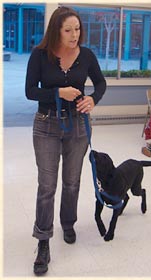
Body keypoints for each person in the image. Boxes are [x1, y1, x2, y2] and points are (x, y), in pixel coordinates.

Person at [25, 6, 106, 276]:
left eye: (78, 29)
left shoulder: (87, 55)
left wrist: (93, 98)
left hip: (78, 128)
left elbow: (100, 83)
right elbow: (30, 92)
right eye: (68, 30)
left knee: (72, 182)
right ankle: (43, 241)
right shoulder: (39, 55)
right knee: (47, 186)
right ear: (56, 31)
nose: (75, 35)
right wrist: (58, 91)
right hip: (46, 124)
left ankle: (68, 223)